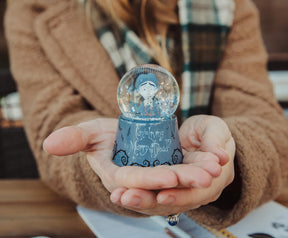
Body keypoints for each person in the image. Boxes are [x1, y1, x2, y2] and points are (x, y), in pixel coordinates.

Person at [4, 0, 288, 229]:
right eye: (147, 89)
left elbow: (265, 122)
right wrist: (98, 163)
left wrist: (231, 155)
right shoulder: (34, 8)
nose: (151, 93)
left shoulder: (230, 6)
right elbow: (53, 122)